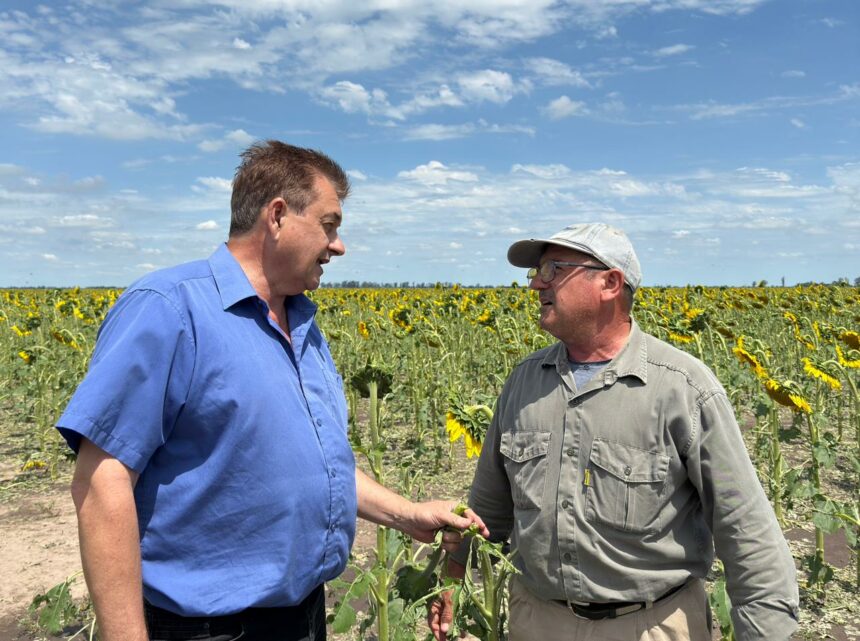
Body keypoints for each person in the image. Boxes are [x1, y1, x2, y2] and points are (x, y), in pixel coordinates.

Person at [57, 140, 487, 641]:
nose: (339, 246)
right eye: (330, 225)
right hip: (207, 629)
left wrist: (407, 515)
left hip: (300, 615)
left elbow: (318, 467)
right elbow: (102, 481)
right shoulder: (170, 309)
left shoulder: (302, 322)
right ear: (278, 215)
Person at [429, 223, 799, 641]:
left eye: (551, 269)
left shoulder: (682, 388)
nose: (535, 284)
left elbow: (745, 530)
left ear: (609, 283)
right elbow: (488, 510)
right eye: (535, 272)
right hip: (536, 619)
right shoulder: (523, 382)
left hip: (650, 624)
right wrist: (452, 580)